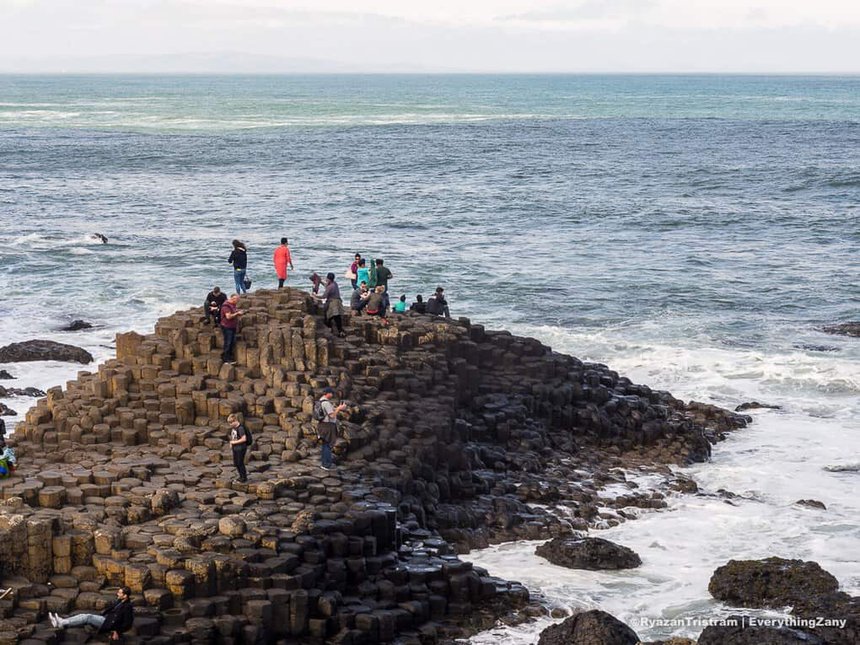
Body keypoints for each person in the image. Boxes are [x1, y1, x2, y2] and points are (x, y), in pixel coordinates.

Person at [49, 586, 134, 640]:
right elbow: (111, 610)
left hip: (109, 625)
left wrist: (117, 631)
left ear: (125, 596)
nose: (117, 593)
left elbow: (128, 624)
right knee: (83, 615)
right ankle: (63, 622)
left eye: (119, 593)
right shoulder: (119, 601)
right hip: (106, 619)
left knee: (88, 617)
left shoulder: (128, 607)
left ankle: (62, 622)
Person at [316, 387, 346, 471]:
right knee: (327, 445)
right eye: (331, 393)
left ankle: (325, 463)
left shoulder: (320, 401)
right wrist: (339, 409)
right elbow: (332, 415)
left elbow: (330, 413)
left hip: (322, 425)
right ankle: (326, 465)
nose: (332, 395)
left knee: (325, 444)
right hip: (327, 426)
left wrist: (338, 408)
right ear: (328, 393)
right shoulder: (326, 403)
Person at [314, 273, 346, 337]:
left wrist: (315, 296)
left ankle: (331, 329)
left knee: (330, 316)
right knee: (337, 317)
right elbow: (326, 285)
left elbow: (324, 296)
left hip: (333, 303)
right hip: (338, 301)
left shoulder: (330, 287)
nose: (326, 280)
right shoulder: (334, 284)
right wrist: (320, 281)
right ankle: (340, 331)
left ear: (328, 279)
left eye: (326, 279)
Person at [220, 294, 244, 363]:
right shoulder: (226, 306)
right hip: (227, 326)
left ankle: (227, 355)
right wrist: (237, 314)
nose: (238, 302)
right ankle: (226, 358)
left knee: (231, 342)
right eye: (237, 300)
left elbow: (233, 311)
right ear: (233, 299)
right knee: (228, 342)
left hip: (232, 326)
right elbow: (228, 317)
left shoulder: (233, 304)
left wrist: (237, 311)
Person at [227, 413, 249, 482]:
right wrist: (232, 443)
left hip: (241, 448)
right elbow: (234, 437)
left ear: (235, 421)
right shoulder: (234, 428)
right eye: (229, 423)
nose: (230, 424)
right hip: (235, 448)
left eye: (231, 422)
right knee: (236, 463)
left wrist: (233, 442)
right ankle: (241, 476)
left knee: (240, 463)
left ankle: (244, 477)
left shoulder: (240, 428)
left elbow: (244, 439)